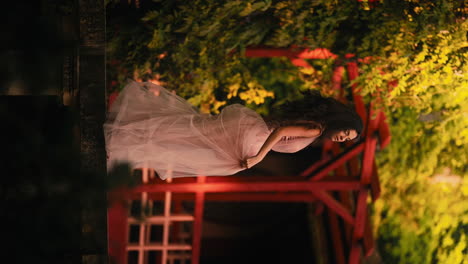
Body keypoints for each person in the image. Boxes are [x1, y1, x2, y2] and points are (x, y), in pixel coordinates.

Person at [104, 80, 363, 180]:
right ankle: (122, 142)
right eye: (345, 133)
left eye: (346, 140)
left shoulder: (314, 125)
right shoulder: (316, 130)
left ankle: (125, 135)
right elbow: (281, 131)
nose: (342, 138)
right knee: (186, 141)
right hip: (251, 139)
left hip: (248, 130)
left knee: (186, 134)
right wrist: (260, 156)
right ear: (341, 122)